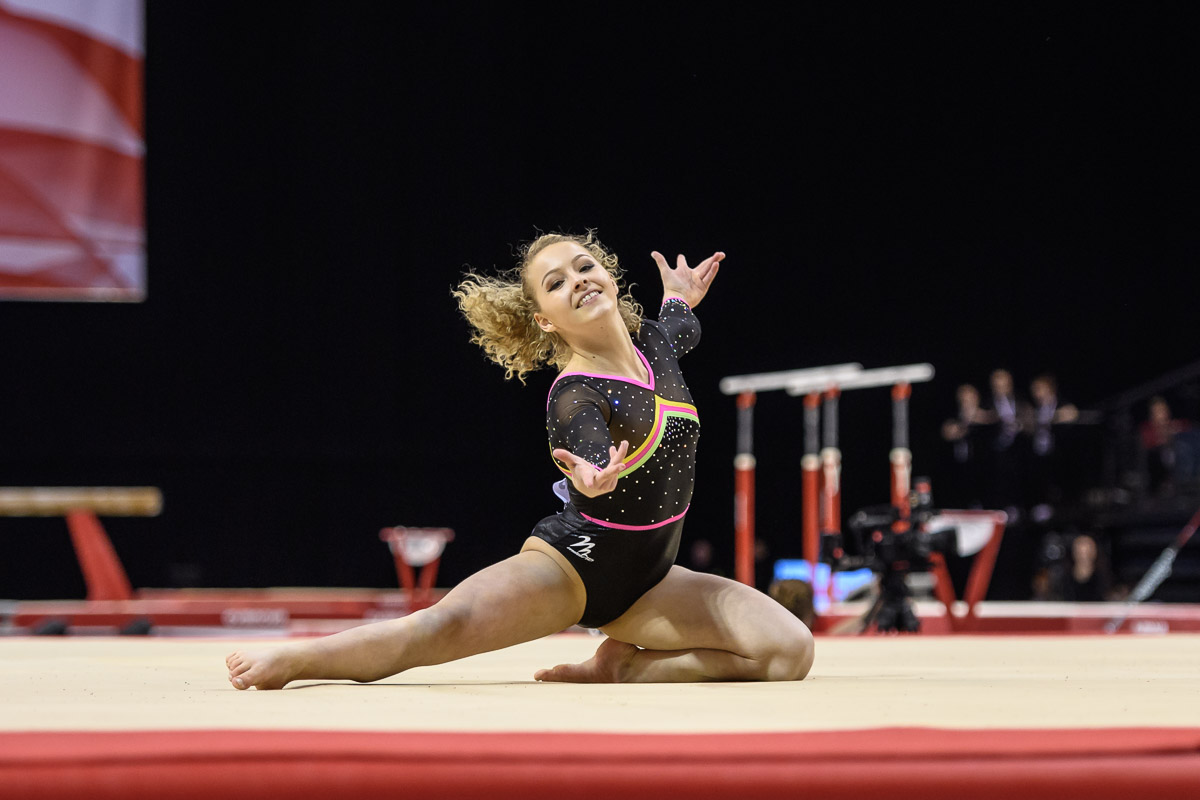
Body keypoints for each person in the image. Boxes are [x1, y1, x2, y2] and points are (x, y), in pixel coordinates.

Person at [226, 231, 814, 689]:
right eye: (556, 283)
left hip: (652, 580)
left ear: (609, 276)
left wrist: (681, 297)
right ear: (544, 319)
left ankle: (621, 667)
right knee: (436, 630)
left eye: (584, 266)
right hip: (572, 568)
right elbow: (585, 448)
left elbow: (681, 327)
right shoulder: (575, 392)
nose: (578, 281)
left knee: (789, 652)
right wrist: (591, 477)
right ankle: (298, 659)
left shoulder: (655, 346)